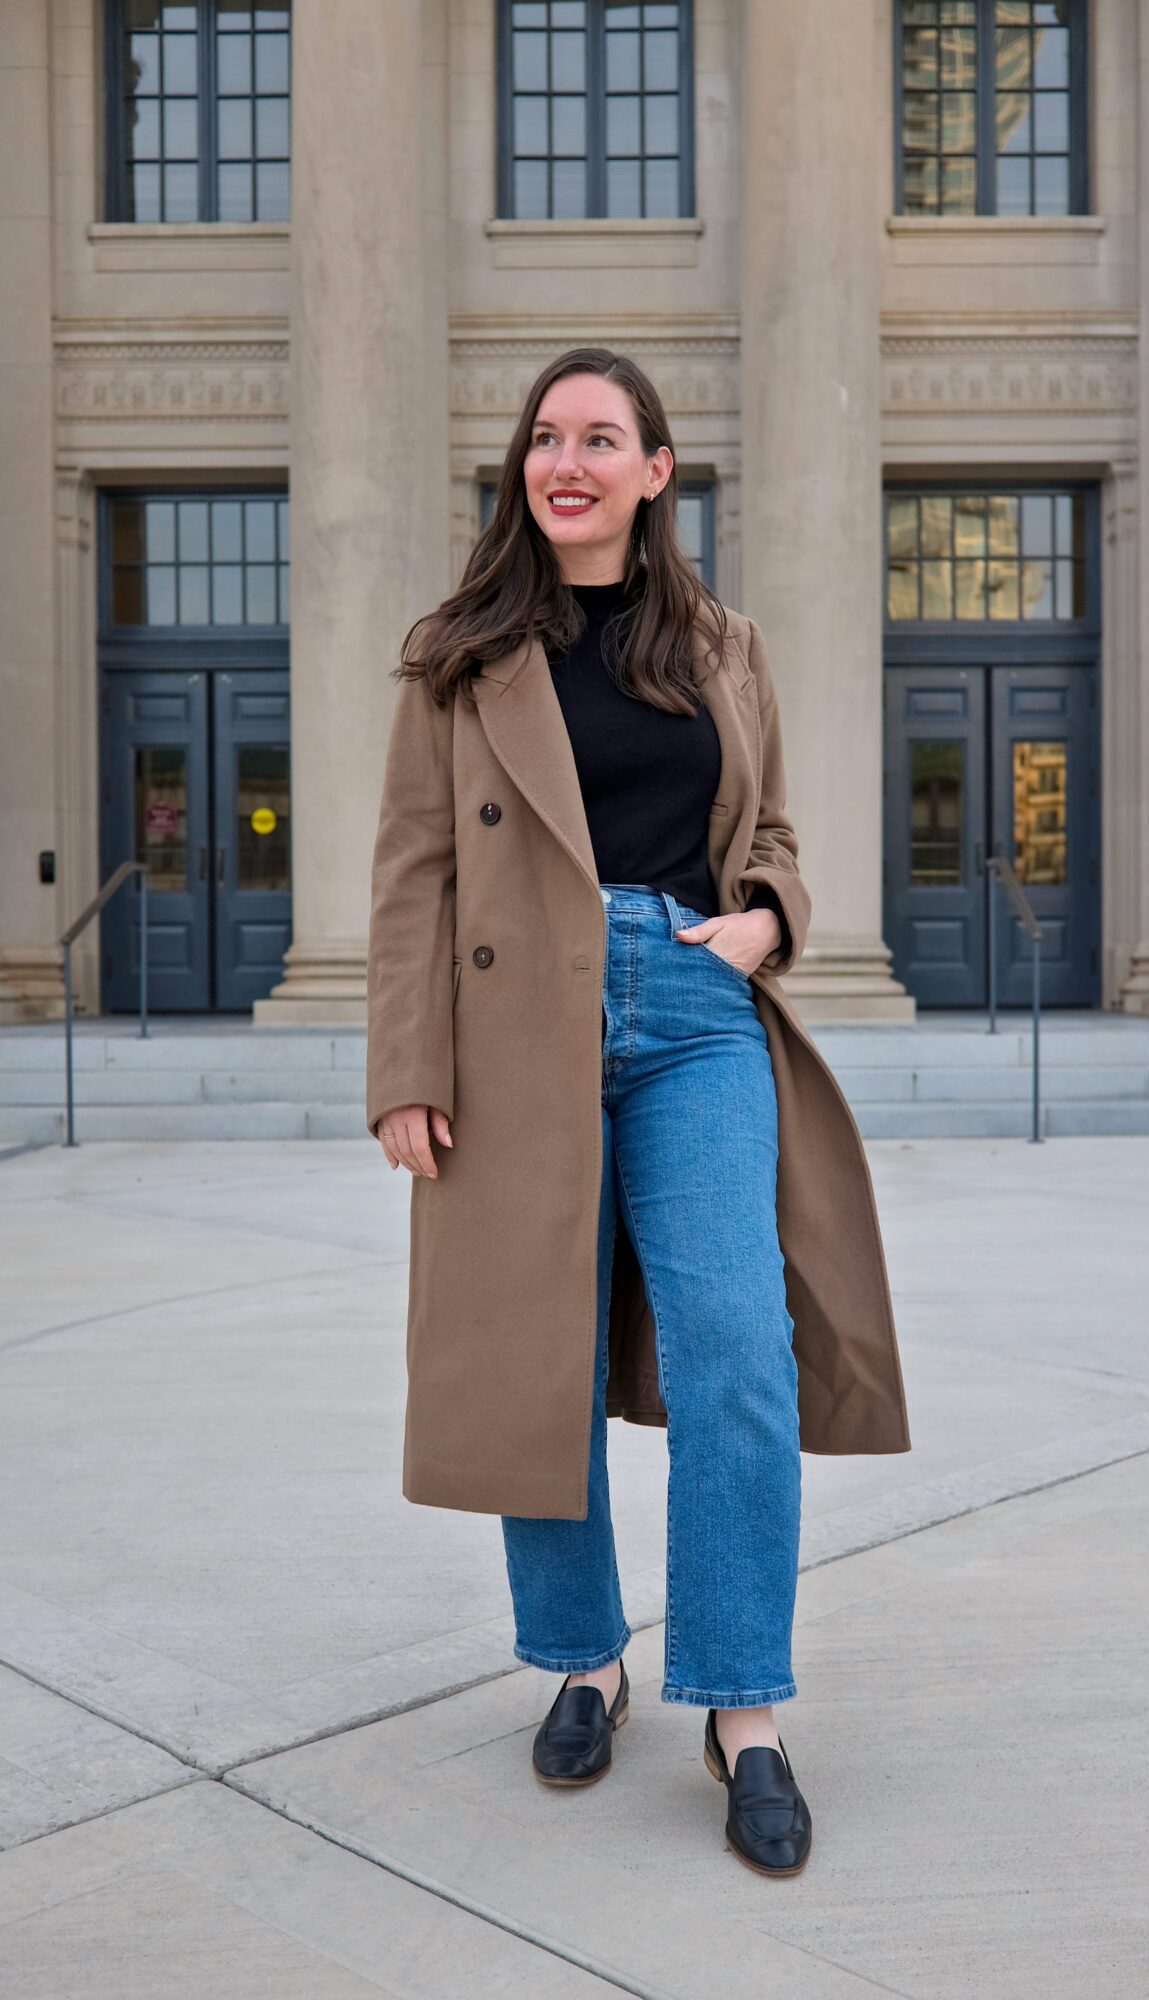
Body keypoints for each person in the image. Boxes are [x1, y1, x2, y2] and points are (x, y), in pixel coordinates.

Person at [367, 346, 909, 1880]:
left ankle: (743, 1707)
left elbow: (776, 826)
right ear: (525, 470)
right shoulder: (458, 653)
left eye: (603, 438)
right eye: (549, 437)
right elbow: (412, 871)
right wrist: (404, 1066)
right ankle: (583, 1664)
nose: (571, 462)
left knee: (738, 1344)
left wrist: (763, 920)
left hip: (686, 1012)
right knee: (528, 1358)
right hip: (508, 1022)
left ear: (657, 472)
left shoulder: (720, 643)